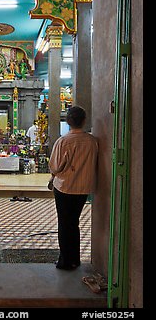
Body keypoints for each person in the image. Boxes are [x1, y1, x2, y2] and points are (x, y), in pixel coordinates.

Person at [49, 106, 98, 270]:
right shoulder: (92, 141)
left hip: (65, 187)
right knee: (74, 223)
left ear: (68, 121)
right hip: (83, 188)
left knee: (64, 223)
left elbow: (55, 167)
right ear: (84, 121)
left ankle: (65, 261)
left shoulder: (63, 141)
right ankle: (75, 259)